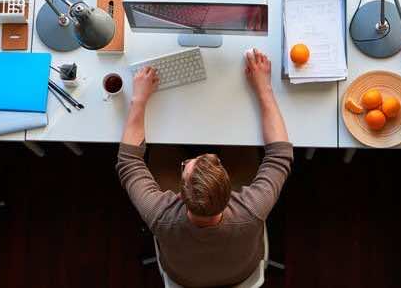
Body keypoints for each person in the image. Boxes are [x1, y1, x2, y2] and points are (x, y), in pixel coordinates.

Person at [116, 48, 292, 287]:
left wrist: (139, 99)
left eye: (185, 166)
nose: (201, 155)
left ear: (179, 195)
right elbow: (279, 155)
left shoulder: (160, 215)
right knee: (246, 147)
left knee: (156, 151)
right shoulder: (251, 209)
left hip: (183, 277)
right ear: (232, 191)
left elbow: (129, 161)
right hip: (240, 273)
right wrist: (264, 88)